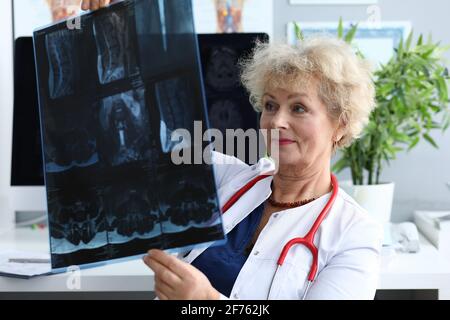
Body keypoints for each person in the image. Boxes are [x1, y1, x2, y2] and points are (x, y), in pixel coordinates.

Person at [81, 0, 383, 300]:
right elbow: (144, 136)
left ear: (341, 124)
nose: (277, 121)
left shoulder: (354, 234)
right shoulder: (227, 177)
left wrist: (206, 301)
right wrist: (114, 27)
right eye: (270, 105)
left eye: (299, 108)